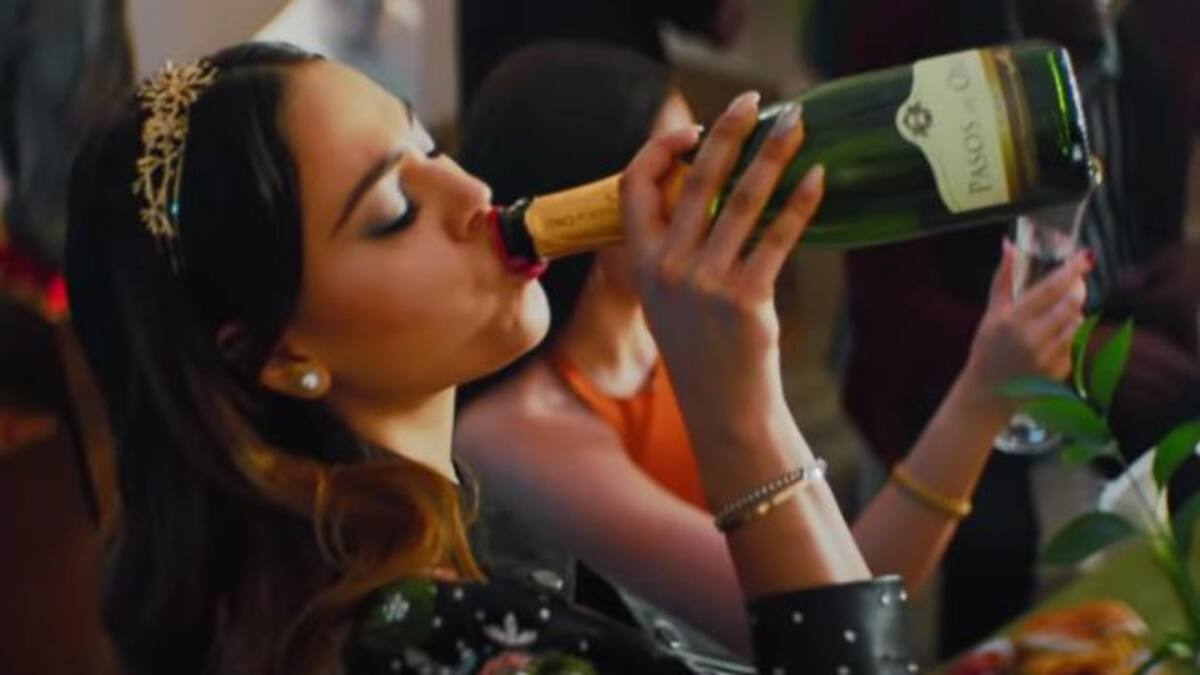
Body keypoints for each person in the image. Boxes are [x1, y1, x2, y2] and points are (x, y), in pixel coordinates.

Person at [64, 40, 933, 674]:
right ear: (283, 354)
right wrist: (744, 418)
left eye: (430, 149)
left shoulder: (426, 552)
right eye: (395, 208)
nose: (475, 193)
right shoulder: (447, 643)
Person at [453, 42, 1092, 656]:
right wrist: (979, 399)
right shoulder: (517, 436)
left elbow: (834, 564)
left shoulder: (669, 329)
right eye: (680, 174)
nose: (717, 188)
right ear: (579, 198)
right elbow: (829, 615)